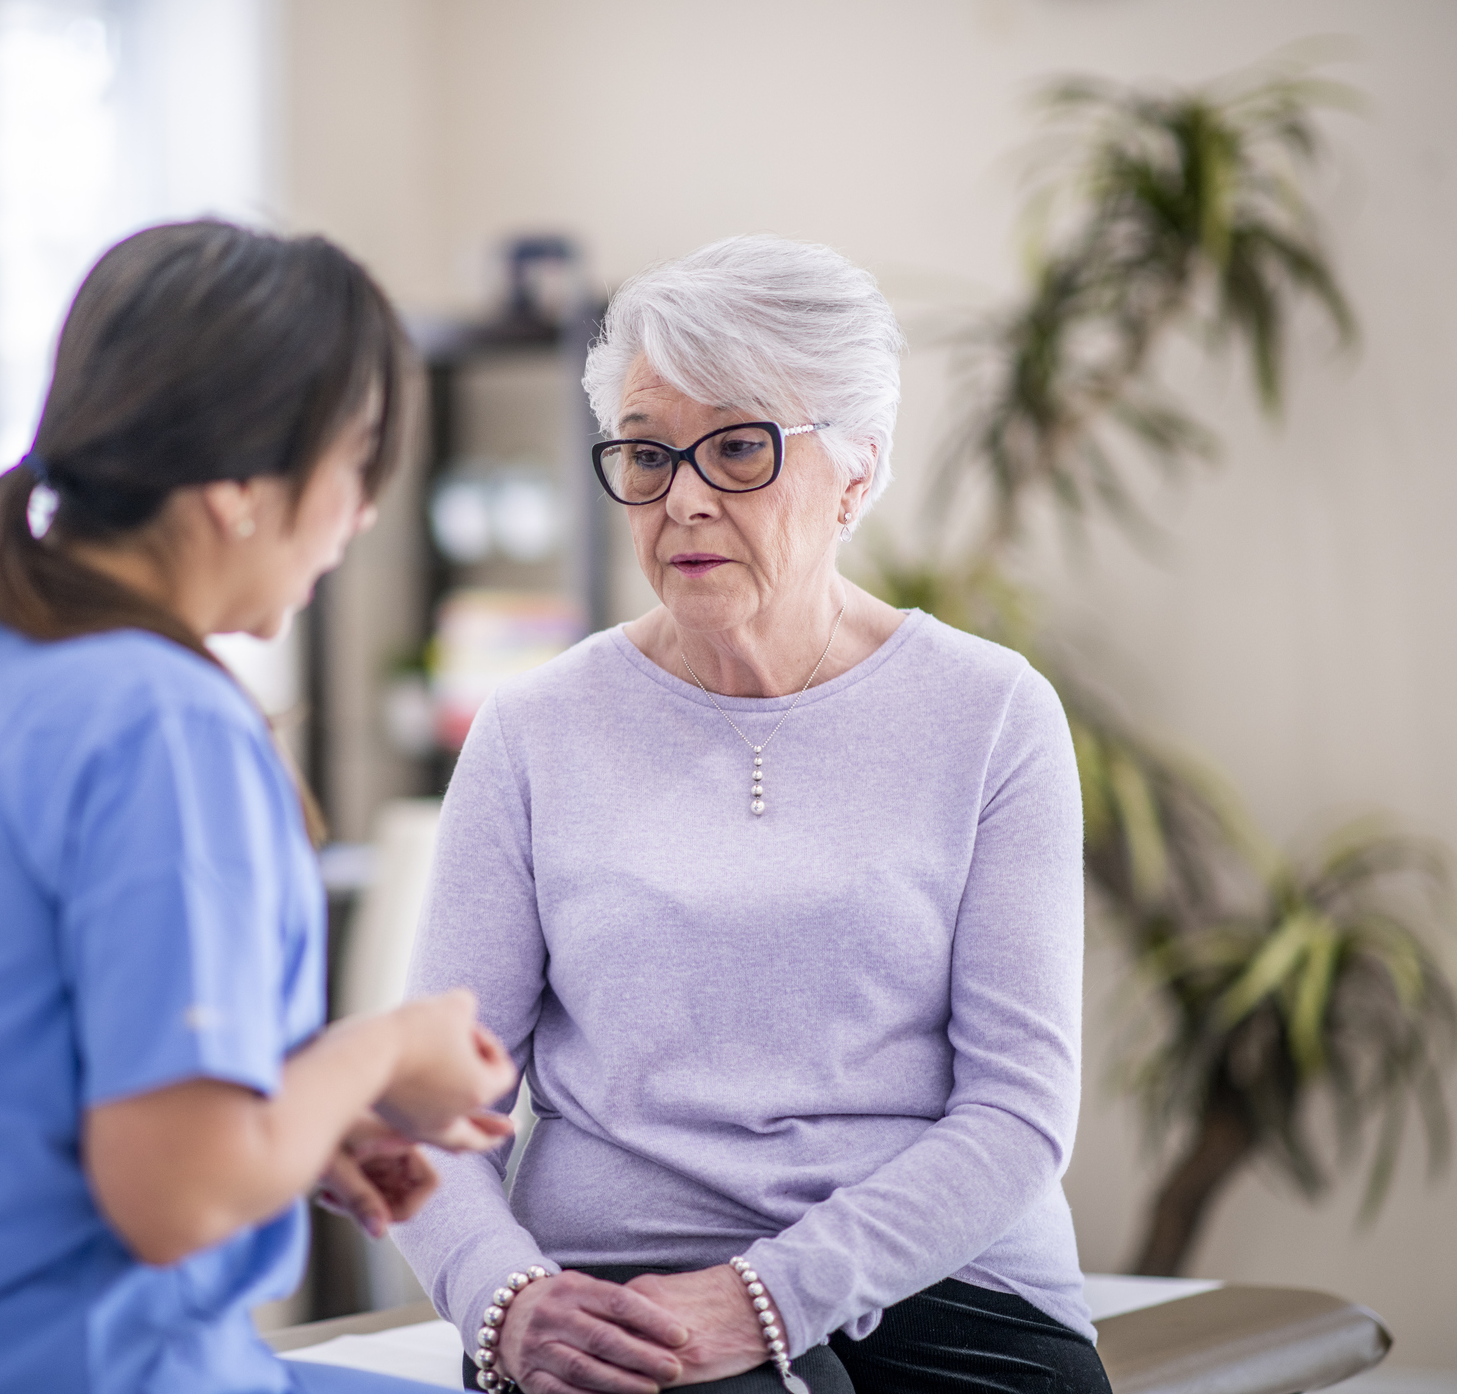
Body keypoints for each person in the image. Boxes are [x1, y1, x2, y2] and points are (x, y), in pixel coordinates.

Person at [0, 220, 518, 1394]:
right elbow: (176, 1198)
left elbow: (20, 1101)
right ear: (237, 486)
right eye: (356, 459)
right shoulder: (160, 722)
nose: (364, 512)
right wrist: (379, 1050)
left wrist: (293, 1126)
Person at [390, 236, 1108, 1394]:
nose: (682, 496)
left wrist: (769, 1297)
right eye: (647, 451)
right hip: (621, 1298)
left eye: (737, 448)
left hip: (948, 1291)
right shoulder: (533, 731)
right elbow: (432, 1106)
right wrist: (505, 1301)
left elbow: (1019, 1113)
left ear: (858, 475)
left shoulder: (991, 714)